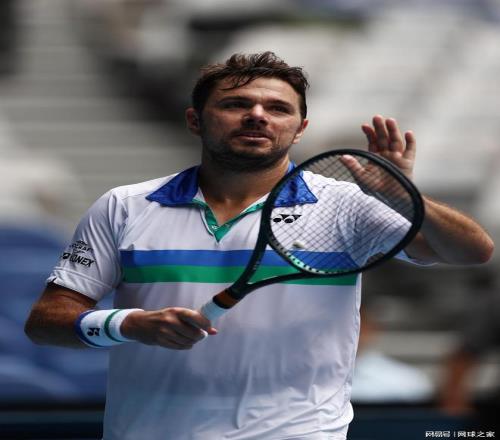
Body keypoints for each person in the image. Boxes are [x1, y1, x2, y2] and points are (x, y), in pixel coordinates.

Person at [25, 52, 494, 440]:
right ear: (194, 120)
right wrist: (129, 324)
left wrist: (404, 198)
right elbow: (47, 321)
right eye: (236, 104)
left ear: (300, 128)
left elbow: (472, 251)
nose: (257, 115)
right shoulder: (123, 207)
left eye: (278, 108)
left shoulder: (347, 206)